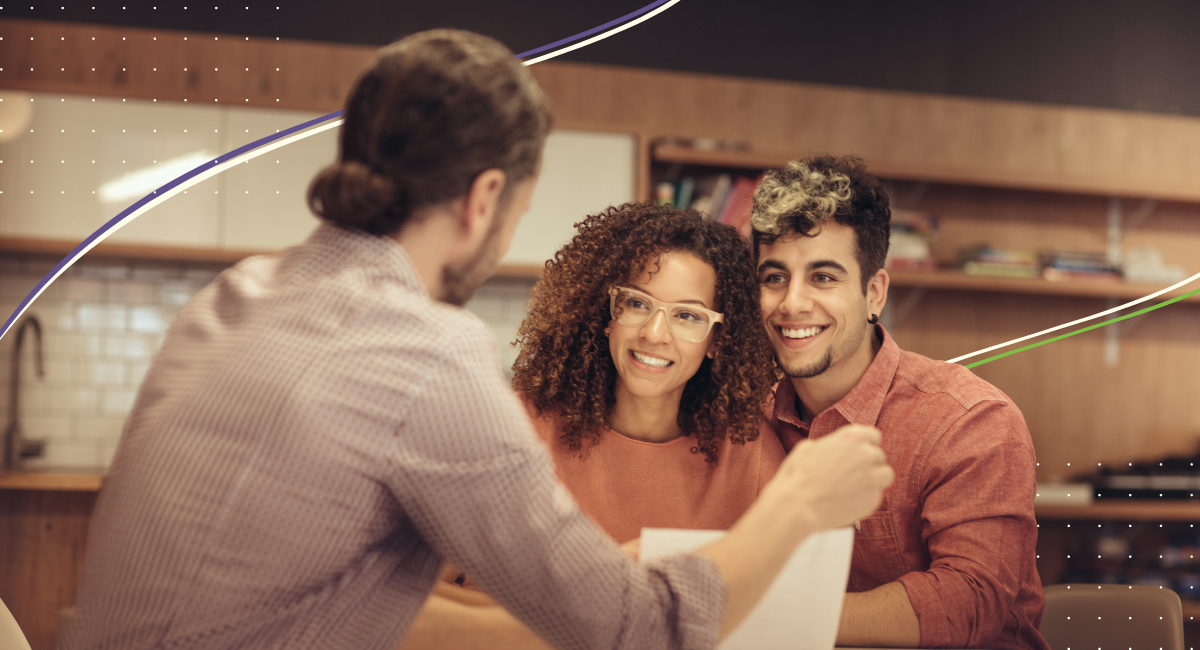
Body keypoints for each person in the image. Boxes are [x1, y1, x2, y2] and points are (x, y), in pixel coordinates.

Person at [62, 31, 893, 650]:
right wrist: (797, 505)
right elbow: (642, 631)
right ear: (485, 196)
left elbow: (364, 604)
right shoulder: (421, 354)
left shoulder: (233, 294)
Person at [401, 202, 785, 649]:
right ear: (608, 313)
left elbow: (788, 611)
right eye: (638, 303)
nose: (655, 334)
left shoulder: (749, 449)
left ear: (718, 339)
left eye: (687, 316)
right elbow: (406, 592)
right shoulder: (518, 428)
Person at [750, 154, 1048, 650]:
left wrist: (771, 611)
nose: (792, 303)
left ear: (874, 293)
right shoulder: (748, 415)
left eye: (823, 277)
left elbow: (966, 604)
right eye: (774, 277)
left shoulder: (969, 420)